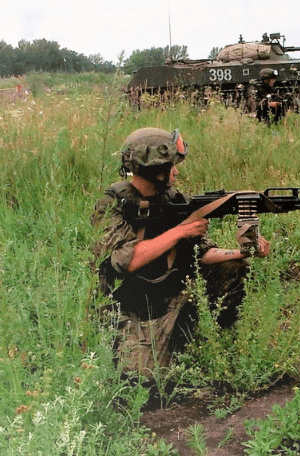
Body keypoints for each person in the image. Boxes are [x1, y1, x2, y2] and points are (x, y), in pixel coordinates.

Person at [91, 128, 270, 376]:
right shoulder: (114, 203)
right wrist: (180, 232)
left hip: (172, 295)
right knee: (141, 379)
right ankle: (157, 341)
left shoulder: (174, 199)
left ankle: (201, 339)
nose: (176, 172)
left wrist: (243, 253)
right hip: (129, 304)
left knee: (232, 269)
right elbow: (126, 261)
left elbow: (202, 254)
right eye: (171, 165)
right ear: (155, 167)